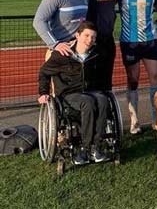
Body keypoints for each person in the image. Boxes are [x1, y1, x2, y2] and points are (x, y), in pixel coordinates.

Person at [38, 22, 109, 165]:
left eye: (93, 37)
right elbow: (44, 72)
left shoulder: (96, 53)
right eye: (86, 35)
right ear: (77, 35)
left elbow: (103, 75)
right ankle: (84, 148)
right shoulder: (62, 54)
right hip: (68, 95)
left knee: (103, 100)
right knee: (87, 102)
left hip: (90, 92)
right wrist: (43, 92)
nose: (90, 40)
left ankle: (96, 147)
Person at [117, 0, 157, 134]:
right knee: (133, 80)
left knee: (156, 78)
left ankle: (155, 118)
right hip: (130, 42)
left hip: (151, 40)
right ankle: (134, 119)